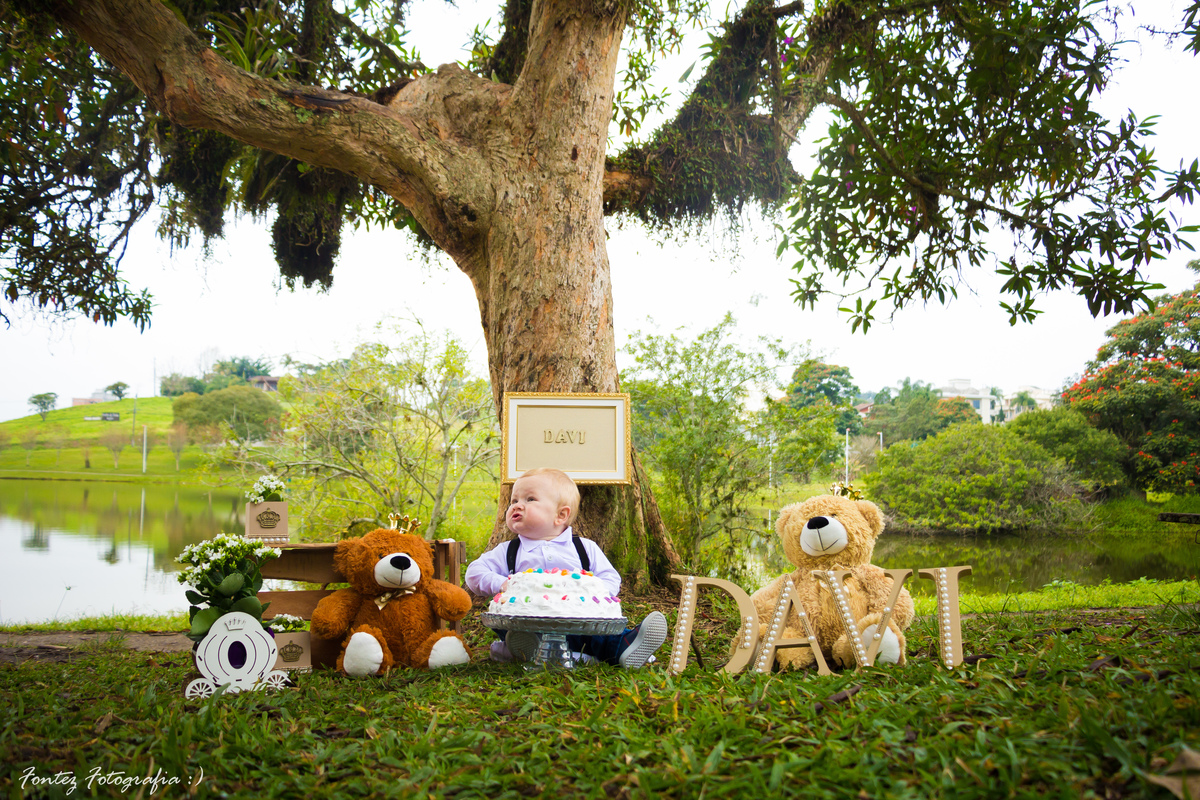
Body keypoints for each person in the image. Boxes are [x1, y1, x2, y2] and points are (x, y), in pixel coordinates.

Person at [465, 467, 667, 668]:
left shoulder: (583, 548)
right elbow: (474, 572)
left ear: (561, 515)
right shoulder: (509, 551)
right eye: (514, 500)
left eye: (530, 499)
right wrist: (504, 584)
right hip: (528, 622)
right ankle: (528, 646)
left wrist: (592, 591)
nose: (517, 506)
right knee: (513, 625)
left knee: (600, 634)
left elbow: (610, 577)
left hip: (580, 621)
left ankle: (624, 646)